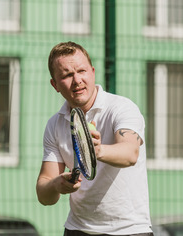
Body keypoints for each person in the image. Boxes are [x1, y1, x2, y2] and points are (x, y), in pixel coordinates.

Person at [36, 41, 153, 236]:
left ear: (92, 72)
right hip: (77, 230)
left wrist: (95, 151)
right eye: (66, 75)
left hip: (129, 230)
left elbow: (130, 153)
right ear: (55, 84)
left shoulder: (122, 108)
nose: (77, 80)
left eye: (81, 71)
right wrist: (57, 184)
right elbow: (44, 192)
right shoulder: (54, 125)